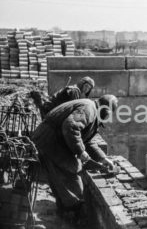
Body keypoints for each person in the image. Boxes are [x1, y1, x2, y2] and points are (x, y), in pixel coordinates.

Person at [31, 94, 117, 222]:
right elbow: (70, 126)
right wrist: (81, 152)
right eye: (110, 113)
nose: (108, 117)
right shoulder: (89, 109)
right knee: (72, 173)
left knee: (58, 178)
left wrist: (103, 158)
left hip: (49, 140)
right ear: (106, 110)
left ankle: (65, 213)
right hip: (50, 141)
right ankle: (75, 215)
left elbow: (89, 141)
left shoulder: (91, 109)